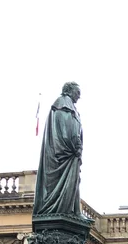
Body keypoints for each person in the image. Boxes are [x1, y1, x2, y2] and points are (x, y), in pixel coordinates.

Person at [34, 82, 84, 217]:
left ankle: (72, 210)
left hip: (70, 154)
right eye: (77, 93)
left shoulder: (69, 106)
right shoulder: (63, 104)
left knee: (73, 183)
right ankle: (65, 210)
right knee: (67, 183)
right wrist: (75, 145)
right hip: (65, 153)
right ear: (69, 91)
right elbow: (66, 129)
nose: (79, 97)